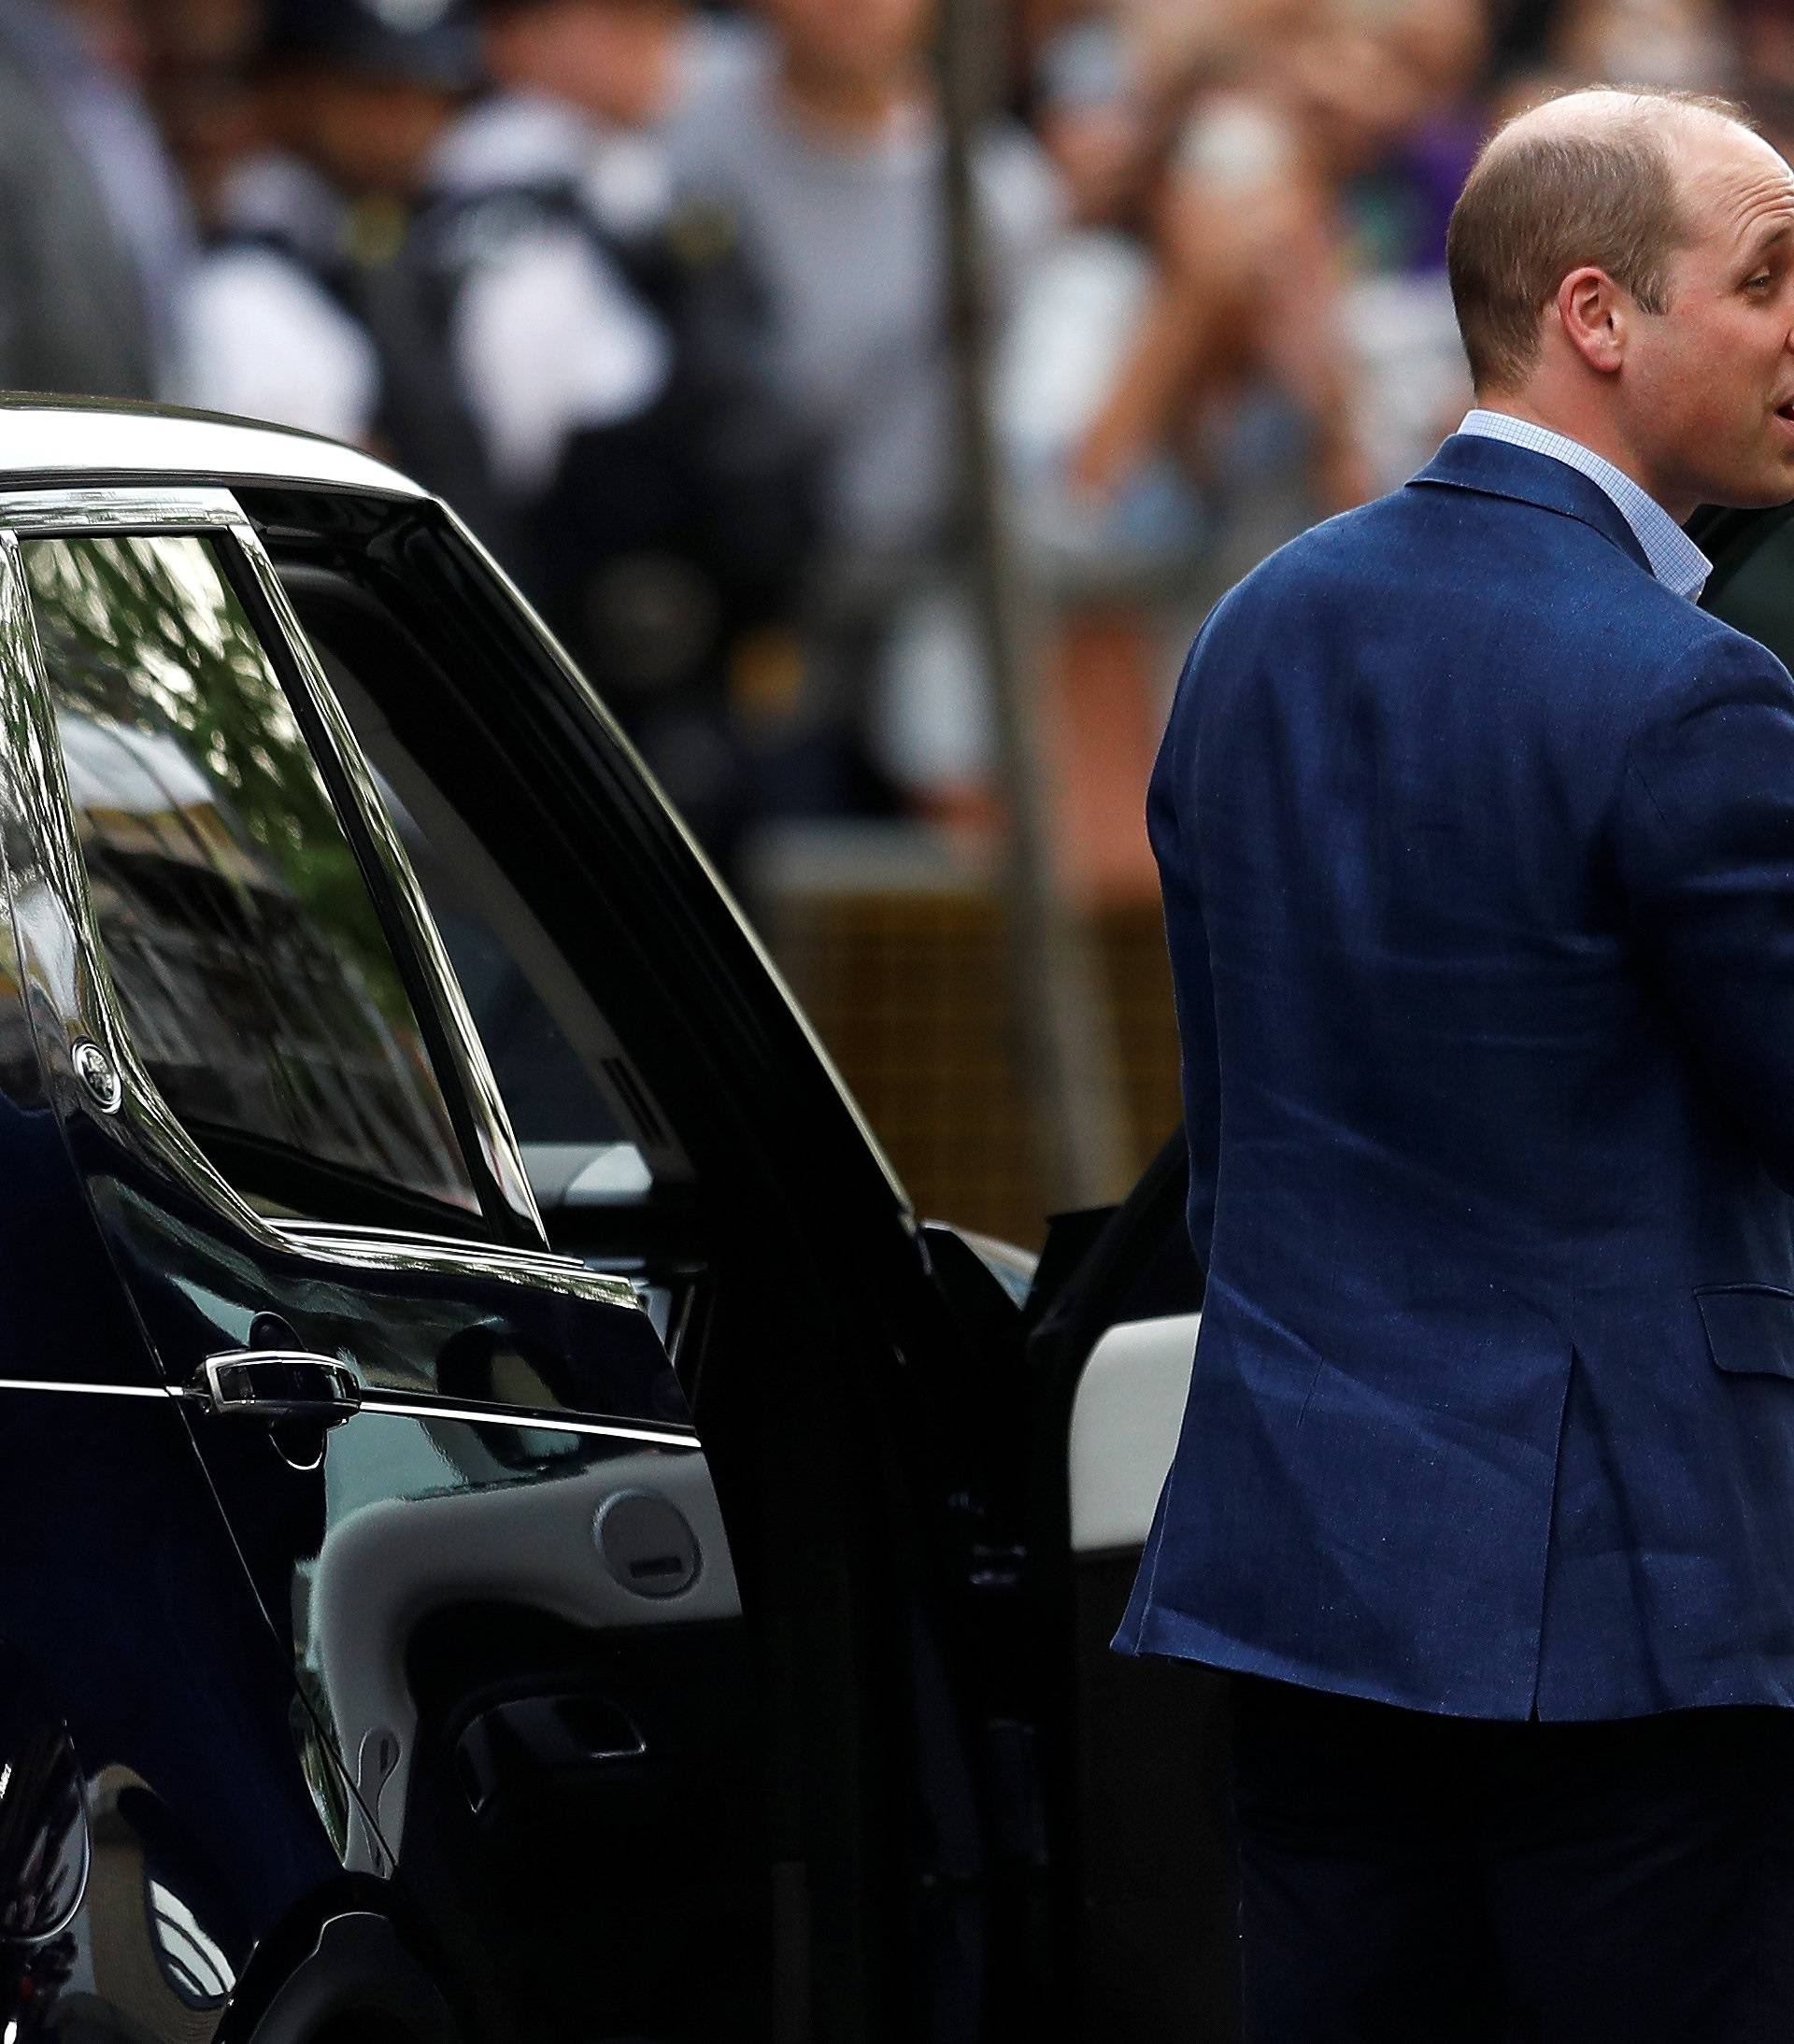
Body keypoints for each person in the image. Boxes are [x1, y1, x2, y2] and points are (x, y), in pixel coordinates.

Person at [1116, 86, 1794, 2040]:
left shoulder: (1255, 632)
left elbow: (1234, 1142)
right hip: (1634, 1611)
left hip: (1301, 1570)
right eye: (1764, 280)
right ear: (1597, 313)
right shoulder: (1689, 685)